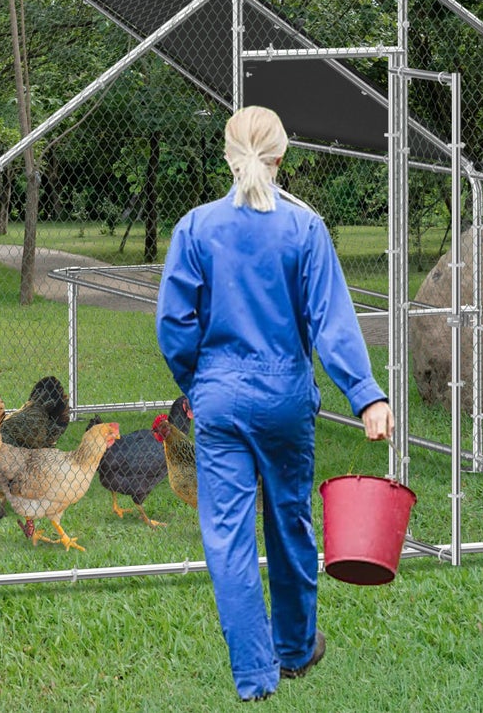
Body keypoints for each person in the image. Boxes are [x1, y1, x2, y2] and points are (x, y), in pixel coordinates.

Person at [157, 105, 393, 703]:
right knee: (289, 523)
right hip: (286, 398)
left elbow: (173, 324)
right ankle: (294, 648)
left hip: (221, 399)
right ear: (283, 157)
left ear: (228, 157)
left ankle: (255, 677)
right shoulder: (305, 228)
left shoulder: (196, 228)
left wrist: (200, 381)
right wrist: (366, 396)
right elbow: (332, 321)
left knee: (228, 539)